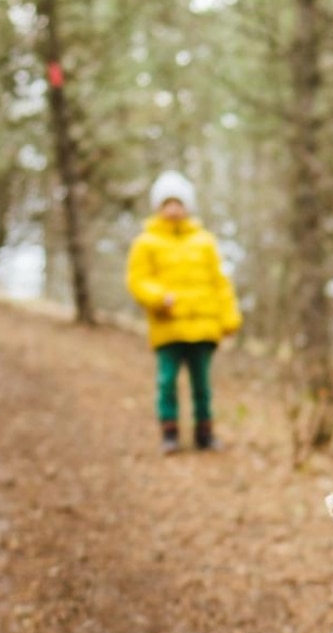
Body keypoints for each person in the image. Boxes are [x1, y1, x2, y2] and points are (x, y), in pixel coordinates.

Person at [126, 170, 242, 452]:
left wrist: (229, 318)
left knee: (202, 384)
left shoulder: (205, 241)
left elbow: (220, 283)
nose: (174, 208)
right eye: (168, 203)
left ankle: (205, 433)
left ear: (187, 206)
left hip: (203, 327)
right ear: (159, 207)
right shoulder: (146, 242)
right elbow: (137, 280)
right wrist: (157, 297)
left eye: (178, 202)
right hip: (168, 326)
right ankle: (169, 433)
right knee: (166, 382)